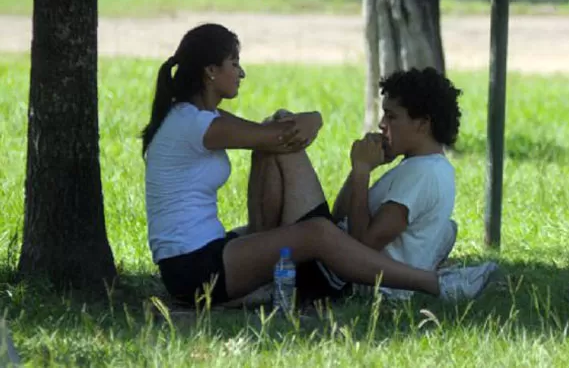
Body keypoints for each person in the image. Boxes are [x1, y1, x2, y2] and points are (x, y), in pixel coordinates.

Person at [142, 23, 497, 307]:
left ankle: (268, 255)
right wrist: (316, 119)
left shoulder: (196, 117)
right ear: (209, 71)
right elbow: (280, 135)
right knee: (318, 233)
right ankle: (437, 285)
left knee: (276, 149)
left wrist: (354, 164)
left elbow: (271, 136)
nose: (242, 72)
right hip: (196, 271)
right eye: (234, 63)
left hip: (203, 257)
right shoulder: (196, 124)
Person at [312, 68, 464, 300]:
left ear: (423, 124)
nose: (382, 124)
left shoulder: (422, 173)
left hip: (347, 282)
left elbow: (361, 247)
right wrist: (361, 170)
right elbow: (340, 215)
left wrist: (362, 171)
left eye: (392, 117)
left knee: (287, 154)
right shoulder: (424, 167)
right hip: (338, 270)